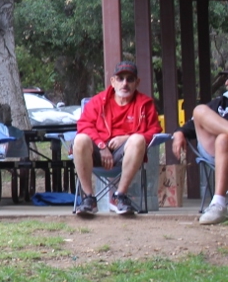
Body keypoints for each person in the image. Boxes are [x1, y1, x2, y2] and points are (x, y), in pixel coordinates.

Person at [72, 60, 160, 218]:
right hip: (96, 153)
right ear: (112, 81)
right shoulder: (98, 102)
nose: (125, 83)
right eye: (120, 79)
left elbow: (154, 131)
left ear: (137, 82)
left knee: (138, 139)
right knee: (80, 139)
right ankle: (89, 199)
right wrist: (101, 146)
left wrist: (127, 138)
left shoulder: (145, 104)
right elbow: (84, 125)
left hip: (126, 155)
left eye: (130, 79)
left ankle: (120, 196)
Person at [171, 76, 228, 224]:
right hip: (218, 154)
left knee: (223, 139)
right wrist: (179, 132)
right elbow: (192, 123)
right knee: (200, 110)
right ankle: (218, 205)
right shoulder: (221, 102)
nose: (227, 82)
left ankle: (219, 202)